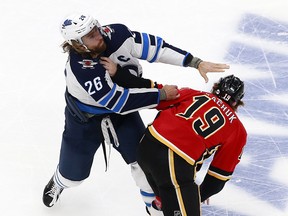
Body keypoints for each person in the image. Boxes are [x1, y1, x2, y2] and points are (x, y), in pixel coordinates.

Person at [42, 12, 230, 214]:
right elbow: (118, 101)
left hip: (122, 115)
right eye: (90, 36)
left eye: (96, 29)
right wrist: (160, 95)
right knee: (74, 176)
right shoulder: (82, 69)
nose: (99, 35)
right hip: (85, 120)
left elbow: (155, 47)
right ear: (78, 44)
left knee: (143, 164)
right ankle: (60, 181)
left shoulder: (118, 34)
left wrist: (194, 62)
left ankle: (154, 209)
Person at [137, 75, 247, 216]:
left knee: (170, 188)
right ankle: (164, 201)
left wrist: (120, 75)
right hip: (172, 161)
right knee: (179, 191)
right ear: (238, 102)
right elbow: (217, 178)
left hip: (146, 145)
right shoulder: (237, 130)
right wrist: (195, 197)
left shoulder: (194, 93)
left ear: (216, 87)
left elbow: (156, 97)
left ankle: (161, 201)